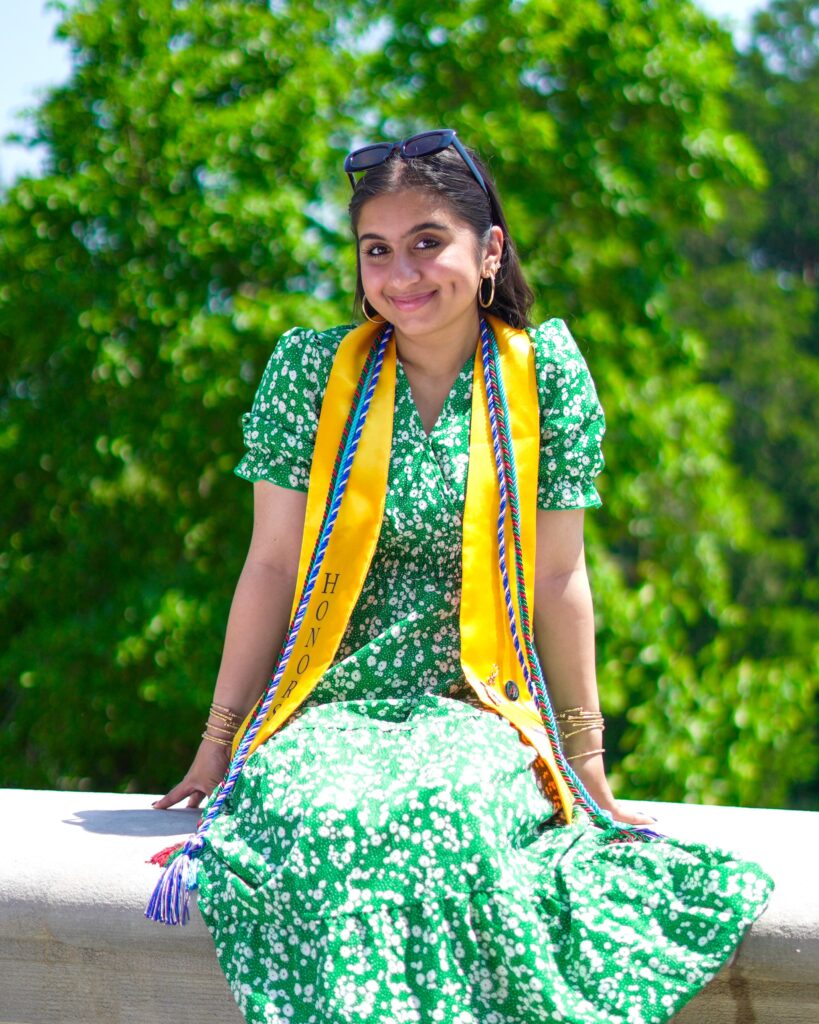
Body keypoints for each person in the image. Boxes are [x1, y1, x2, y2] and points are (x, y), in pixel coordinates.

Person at [151, 129, 772, 1024]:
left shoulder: (542, 375)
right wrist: (217, 746)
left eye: (426, 242)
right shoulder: (311, 374)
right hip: (330, 706)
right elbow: (273, 568)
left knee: (449, 820)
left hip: (478, 704)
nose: (400, 273)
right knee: (320, 820)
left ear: (489, 252)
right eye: (376, 250)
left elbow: (559, 579)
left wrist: (584, 758)